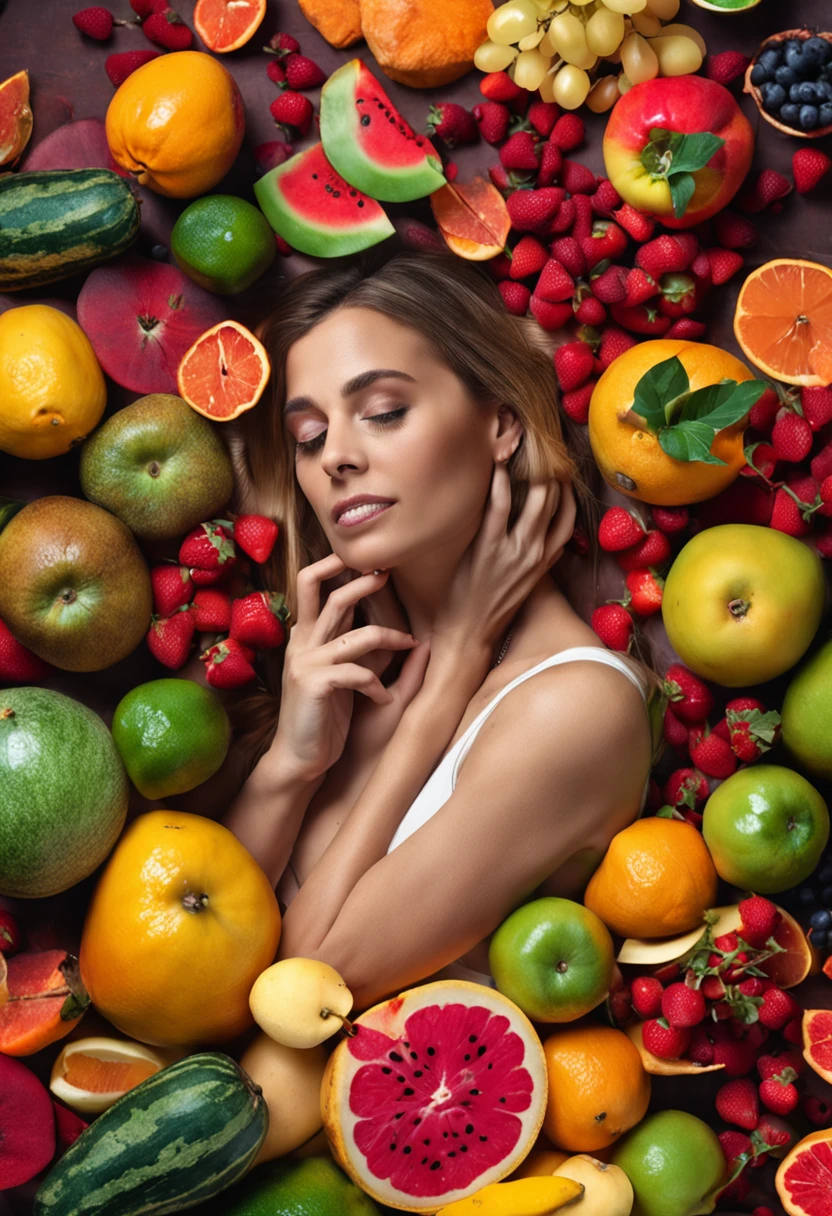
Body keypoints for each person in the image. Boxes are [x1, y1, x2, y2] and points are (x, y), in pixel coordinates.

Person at [220, 245, 655, 1013]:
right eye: (309, 436)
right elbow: (197, 963)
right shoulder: (341, 673)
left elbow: (300, 992)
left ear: (501, 424)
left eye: (384, 412)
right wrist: (292, 762)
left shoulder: (574, 707)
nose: (337, 459)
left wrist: (447, 685)